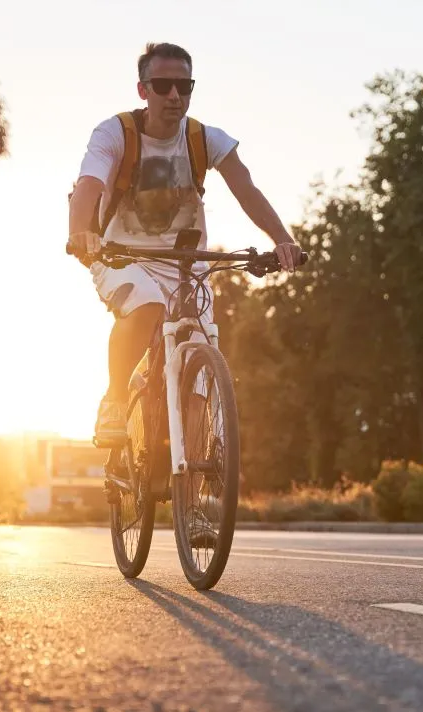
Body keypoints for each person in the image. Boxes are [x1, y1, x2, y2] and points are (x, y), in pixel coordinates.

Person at [66, 42, 302, 448]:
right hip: (121, 255)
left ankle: (191, 460)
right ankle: (116, 400)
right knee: (146, 305)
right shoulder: (116, 133)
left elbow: (247, 189)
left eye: (184, 85)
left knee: (200, 343)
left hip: (187, 263)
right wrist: (80, 233)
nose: (175, 95)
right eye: (162, 85)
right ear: (143, 90)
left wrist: (282, 240)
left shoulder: (205, 139)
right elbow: (89, 186)